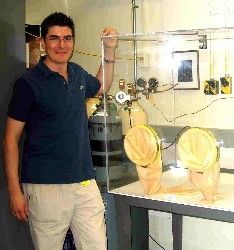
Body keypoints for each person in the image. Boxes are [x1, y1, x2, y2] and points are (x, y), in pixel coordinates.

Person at [3, 12, 118, 250]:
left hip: (85, 183)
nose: (61, 45)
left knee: (97, 246)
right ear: (43, 42)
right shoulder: (28, 83)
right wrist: (15, 191)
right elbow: (11, 140)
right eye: (54, 38)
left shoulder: (77, 74)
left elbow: (102, 86)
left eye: (67, 38)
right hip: (46, 188)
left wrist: (109, 50)